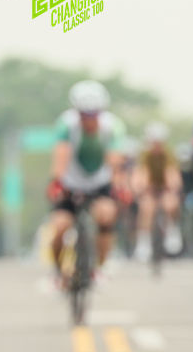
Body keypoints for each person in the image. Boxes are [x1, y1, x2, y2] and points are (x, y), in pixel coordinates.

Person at [45, 80, 130, 281]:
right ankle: (58, 271)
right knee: (60, 227)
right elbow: (61, 154)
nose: (89, 119)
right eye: (84, 114)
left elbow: (115, 159)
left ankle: (98, 267)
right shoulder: (66, 124)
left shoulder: (113, 126)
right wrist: (56, 181)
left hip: (99, 184)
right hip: (70, 183)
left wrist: (119, 184)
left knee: (106, 215)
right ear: (77, 112)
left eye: (94, 114)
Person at [132, 122, 184, 261]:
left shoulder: (169, 156)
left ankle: (172, 230)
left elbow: (173, 174)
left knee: (170, 203)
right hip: (149, 188)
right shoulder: (144, 156)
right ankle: (144, 241)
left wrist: (172, 187)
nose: (156, 145)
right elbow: (140, 174)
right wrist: (140, 187)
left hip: (165, 188)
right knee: (147, 207)